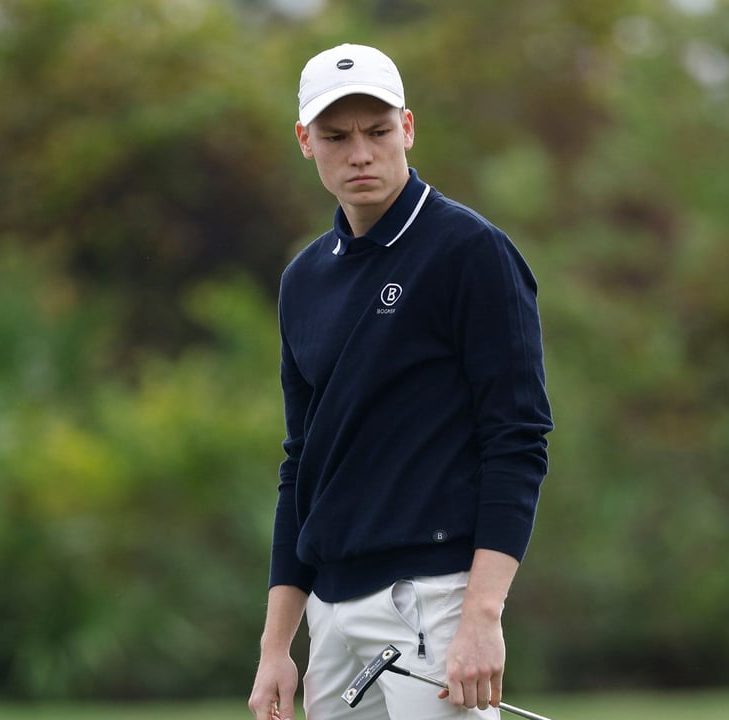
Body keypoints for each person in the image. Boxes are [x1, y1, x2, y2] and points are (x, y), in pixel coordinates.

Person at [247, 43, 553, 720]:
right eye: (336, 136)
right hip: (331, 610)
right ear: (306, 141)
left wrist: (481, 615)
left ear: (407, 129)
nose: (360, 153)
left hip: (435, 603)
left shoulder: (471, 253)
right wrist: (277, 646)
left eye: (378, 132)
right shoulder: (304, 280)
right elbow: (303, 467)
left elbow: (518, 439)